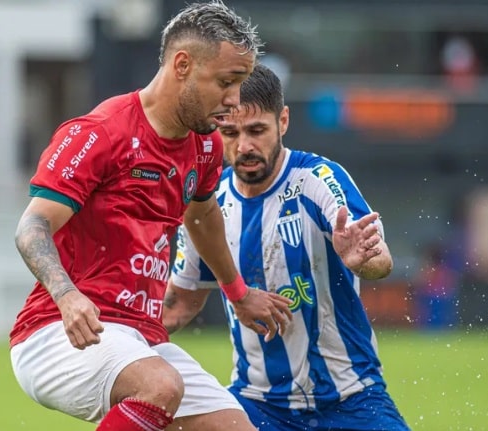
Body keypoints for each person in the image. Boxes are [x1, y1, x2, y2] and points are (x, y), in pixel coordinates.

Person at [8, 2, 293, 430]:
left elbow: (202, 217)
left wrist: (237, 292)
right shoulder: (101, 133)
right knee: (159, 386)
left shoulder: (206, 147)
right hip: (57, 331)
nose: (234, 102)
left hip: (140, 337)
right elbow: (32, 226)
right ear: (182, 65)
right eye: (226, 82)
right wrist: (66, 296)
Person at [164, 64, 411, 430]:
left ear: (283, 121)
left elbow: (378, 260)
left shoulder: (319, 180)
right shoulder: (207, 202)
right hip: (256, 405)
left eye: (257, 130)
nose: (244, 146)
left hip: (351, 398)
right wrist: (120, 342)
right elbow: (181, 302)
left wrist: (362, 259)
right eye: (230, 132)